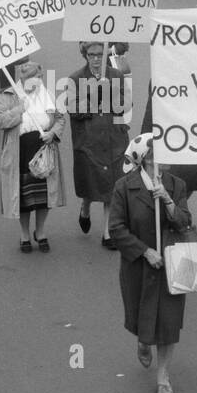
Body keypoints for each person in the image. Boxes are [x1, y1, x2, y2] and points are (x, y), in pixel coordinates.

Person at [108, 133, 193, 393]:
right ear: (145, 159)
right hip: (138, 268)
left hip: (172, 266)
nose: (165, 160)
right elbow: (116, 229)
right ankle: (143, 342)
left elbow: (184, 222)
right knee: (141, 318)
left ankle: (163, 376)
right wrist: (145, 252)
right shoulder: (124, 187)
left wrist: (168, 201)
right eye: (159, 155)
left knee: (168, 324)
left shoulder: (176, 185)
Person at [0, 59, 67, 252]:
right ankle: (24, 234)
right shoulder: (8, 95)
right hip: (20, 152)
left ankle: (40, 232)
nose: (39, 81)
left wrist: (53, 133)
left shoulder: (46, 94)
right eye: (35, 78)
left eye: (40, 77)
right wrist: (19, 110)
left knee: (45, 197)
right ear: (24, 79)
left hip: (43, 150)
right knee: (23, 198)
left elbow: (59, 118)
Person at [61, 42, 131, 250]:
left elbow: (127, 104)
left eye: (100, 54)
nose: (96, 58)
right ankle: (85, 207)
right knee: (92, 185)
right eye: (91, 54)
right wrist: (93, 94)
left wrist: (109, 94)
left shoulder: (116, 76)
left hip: (114, 139)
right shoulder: (75, 78)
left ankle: (108, 233)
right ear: (85, 55)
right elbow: (73, 109)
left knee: (112, 185)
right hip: (89, 141)